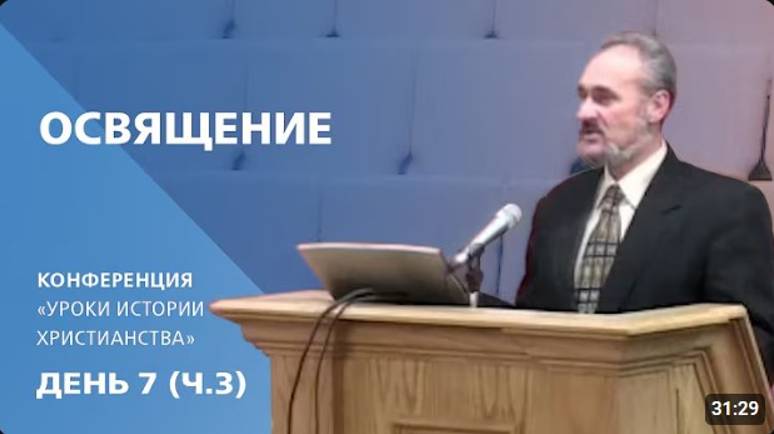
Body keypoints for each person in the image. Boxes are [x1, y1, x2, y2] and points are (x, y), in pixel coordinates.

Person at [515, 31, 774, 384]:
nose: (584, 112)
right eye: (583, 96)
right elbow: (529, 326)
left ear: (657, 106)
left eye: (603, 98)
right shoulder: (557, 206)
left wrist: (708, 409)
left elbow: (753, 347)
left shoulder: (726, 208)